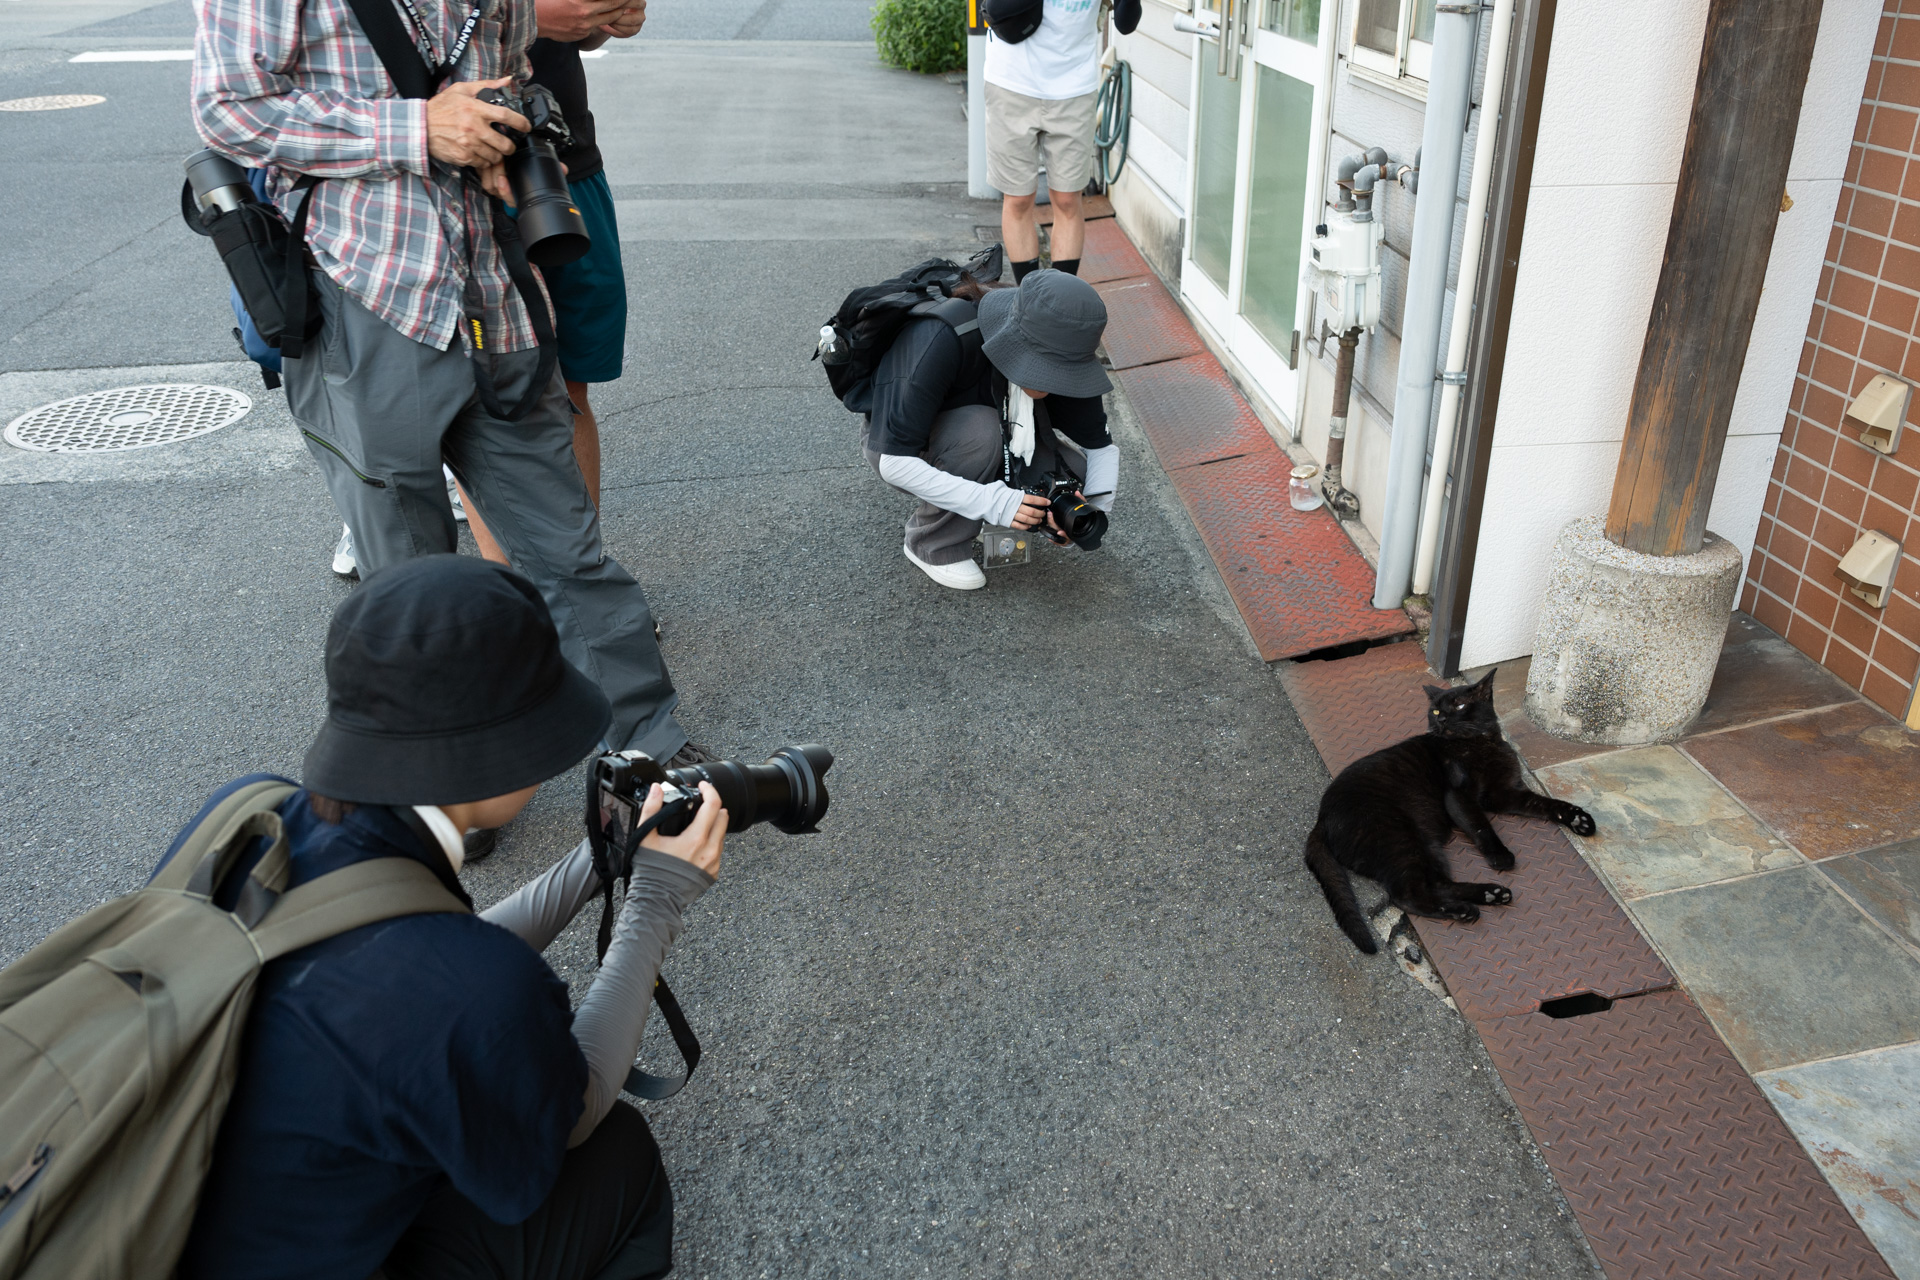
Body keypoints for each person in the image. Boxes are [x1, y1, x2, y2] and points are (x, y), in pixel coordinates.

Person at [173, 554, 725, 1280]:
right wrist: (655, 899)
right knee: (617, 1158)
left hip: (170, 1205)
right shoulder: (473, 990)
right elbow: (575, 1110)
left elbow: (408, 973)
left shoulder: (252, 816)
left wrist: (602, 859)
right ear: (502, 749)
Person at [192, 0, 700, 770]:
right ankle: (444, 786)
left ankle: (649, 754)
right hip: (365, 288)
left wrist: (513, 138)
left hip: (496, 287)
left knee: (569, 550)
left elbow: (512, 66)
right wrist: (415, 129)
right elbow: (228, 108)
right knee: (411, 581)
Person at [463, 0, 646, 565]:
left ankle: (584, 577)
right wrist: (537, 16)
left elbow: (578, 29)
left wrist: (602, 20)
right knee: (487, 393)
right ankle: (508, 595)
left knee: (571, 386)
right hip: (465, 169)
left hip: (564, 159)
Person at [865, 268, 1119, 590]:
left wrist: (1085, 515)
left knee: (1075, 472)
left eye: (1067, 370)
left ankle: (983, 508)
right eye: (1050, 368)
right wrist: (994, 502)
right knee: (983, 433)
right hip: (903, 443)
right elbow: (894, 464)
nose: (1058, 379)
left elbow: (1101, 448)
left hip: (1004, 433)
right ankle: (932, 545)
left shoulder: (1066, 343)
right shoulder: (941, 337)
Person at [984, 0, 1140, 283]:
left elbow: (1126, 23)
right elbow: (995, 8)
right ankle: (1029, 297)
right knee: (1018, 198)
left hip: (1074, 88)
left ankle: (1059, 300)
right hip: (1011, 82)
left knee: (1068, 199)